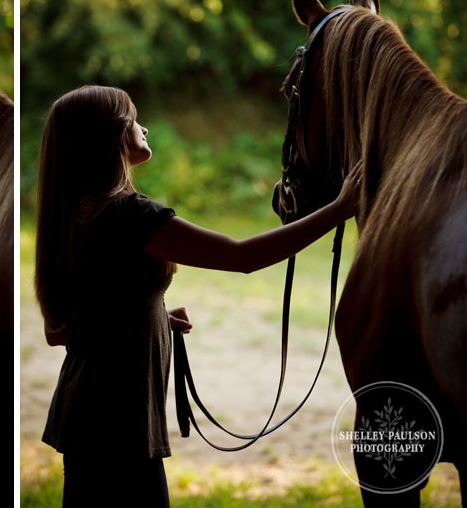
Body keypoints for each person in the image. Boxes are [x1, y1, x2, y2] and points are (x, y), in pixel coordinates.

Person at [34, 86, 362, 507]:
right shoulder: (132, 216)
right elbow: (242, 257)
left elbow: (61, 327)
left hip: (87, 420)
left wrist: (154, 314)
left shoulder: (74, 212)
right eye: (134, 118)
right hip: (120, 425)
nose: (144, 126)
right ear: (115, 133)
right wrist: (338, 208)